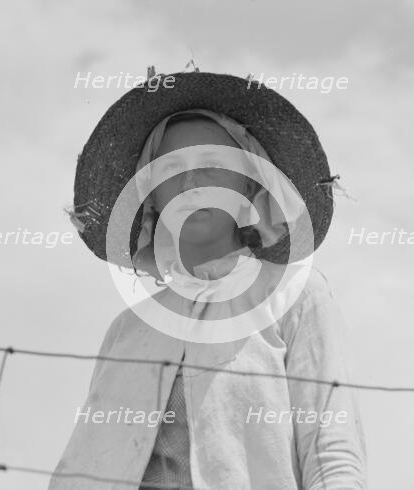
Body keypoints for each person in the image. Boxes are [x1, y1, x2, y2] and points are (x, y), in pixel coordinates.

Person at [50, 70, 366, 489]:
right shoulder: (128, 330)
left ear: (251, 183)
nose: (191, 183)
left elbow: (332, 452)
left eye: (213, 165)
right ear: (151, 196)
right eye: (171, 169)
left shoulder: (294, 296)